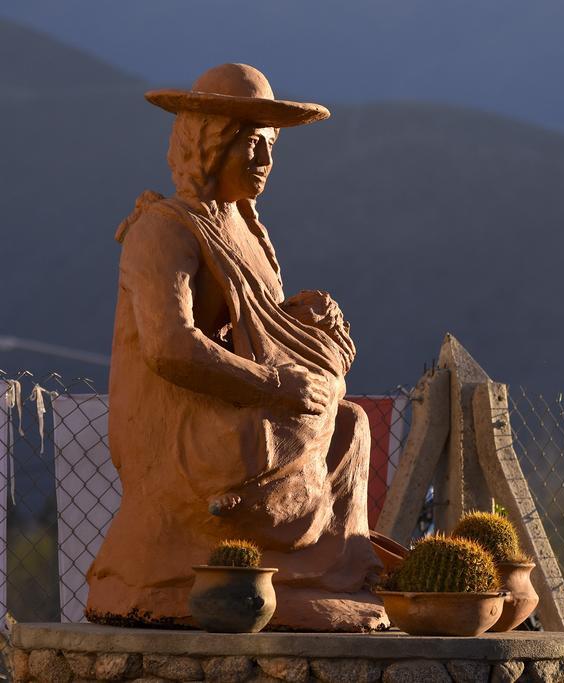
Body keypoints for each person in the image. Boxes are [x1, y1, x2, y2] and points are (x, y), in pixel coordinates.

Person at [86, 63, 386, 632]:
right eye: (250, 146)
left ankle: (331, 572)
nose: (265, 163)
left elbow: (260, 328)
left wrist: (311, 322)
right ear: (207, 144)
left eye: (270, 146)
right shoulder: (164, 230)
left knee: (349, 423)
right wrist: (276, 384)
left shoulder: (245, 228)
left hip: (236, 400)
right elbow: (172, 347)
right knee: (313, 416)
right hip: (185, 425)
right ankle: (248, 566)